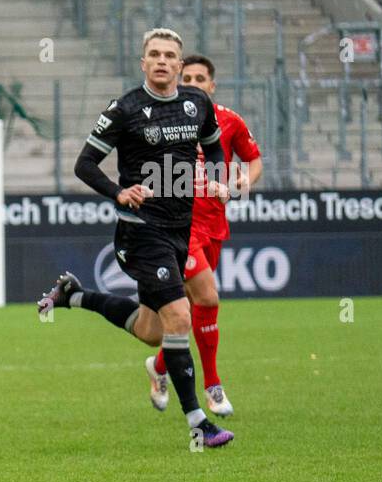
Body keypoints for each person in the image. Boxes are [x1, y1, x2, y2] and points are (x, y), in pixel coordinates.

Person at [37, 27, 234, 449]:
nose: (162, 61)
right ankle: (199, 422)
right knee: (180, 316)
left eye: (169, 55)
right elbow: (85, 164)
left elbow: (214, 148)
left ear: (181, 65)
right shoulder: (125, 108)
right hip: (141, 231)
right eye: (154, 54)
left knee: (152, 331)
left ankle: (74, 295)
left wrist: (217, 179)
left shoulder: (196, 103)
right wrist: (118, 191)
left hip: (180, 230)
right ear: (142, 62)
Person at [144, 53, 261, 418]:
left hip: (215, 226)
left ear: (211, 85)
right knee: (208, 298)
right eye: (188, 78)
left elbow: (253, 159)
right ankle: (212, 386)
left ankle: (160, 367)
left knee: (194, 308)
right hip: (178, 226)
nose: (193, 84)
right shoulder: (163, 122)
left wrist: (244, 180)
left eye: (200, 79)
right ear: (179, 79)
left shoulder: (229, 121)